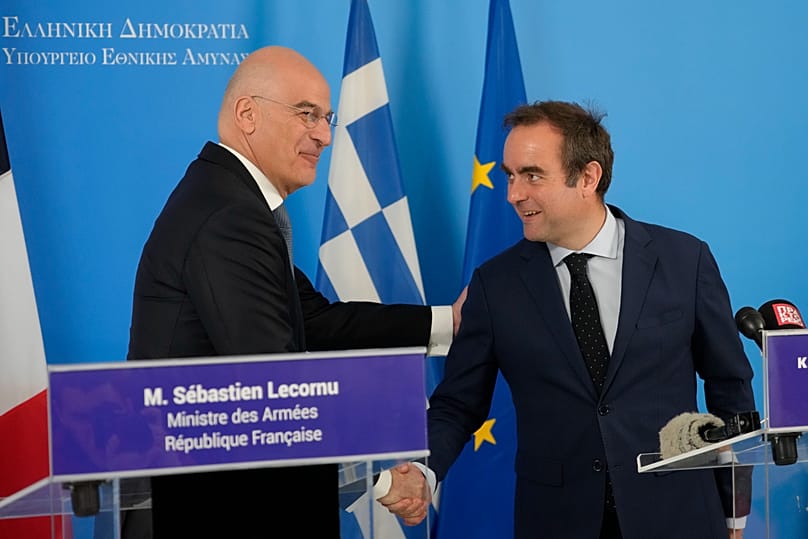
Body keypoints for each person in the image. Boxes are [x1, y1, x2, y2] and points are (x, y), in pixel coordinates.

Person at [124, 45, 461, 538]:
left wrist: (450, 321)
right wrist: (383, 480)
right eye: (307, 115)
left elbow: (316, 321)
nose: (324, 136)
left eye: (327, 118)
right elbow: (273, 391)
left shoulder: (229, 201)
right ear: (247, 114)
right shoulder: (230, 216)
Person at [381, 101, 756, 538]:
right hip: (557, 521)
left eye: (532, 175)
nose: (513, 193)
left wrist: (735, 511)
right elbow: (457, 404)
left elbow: (731, 390)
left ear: (588, 177)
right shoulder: (495, 285)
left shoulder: (684, 261)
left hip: (680, 516)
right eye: (509, 174)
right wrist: (424, 473)